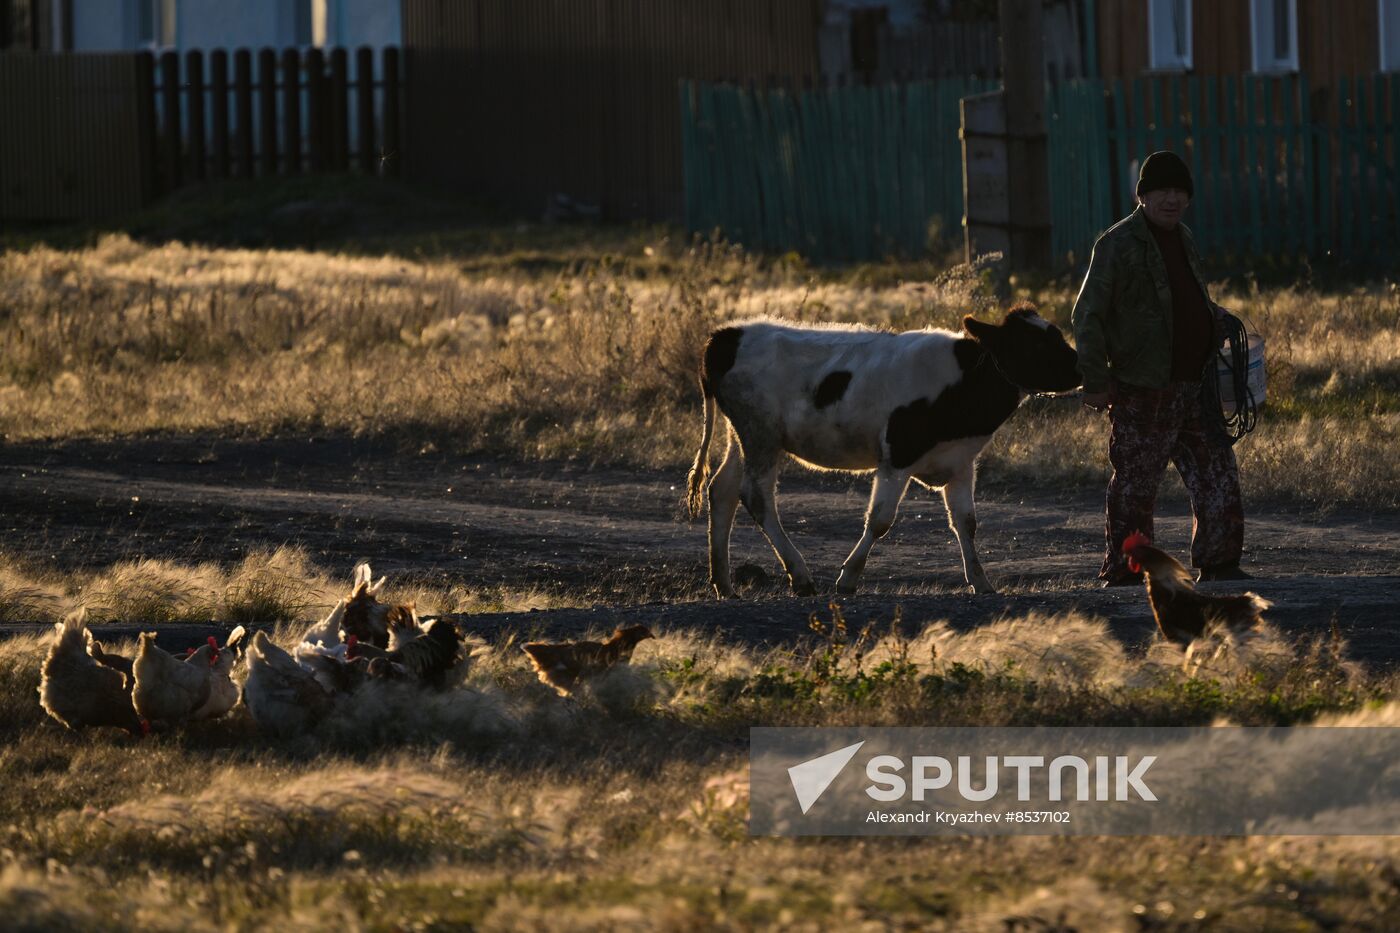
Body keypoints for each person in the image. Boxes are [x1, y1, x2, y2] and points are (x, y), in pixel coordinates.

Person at [1071, 150, 1249, 586]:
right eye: (1161, 191)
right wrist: (1094, 380)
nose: (1171, 199)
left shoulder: (1183, 237)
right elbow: (1086, 315)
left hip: (1194, 385)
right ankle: (1128, 571)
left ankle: (1220, 561)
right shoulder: (1116, 244)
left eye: (1179, 192)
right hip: (1143, 388)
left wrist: (1213, 318)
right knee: (1135, 485)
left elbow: (1180, 298)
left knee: (1217, 474)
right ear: (1143, 196)